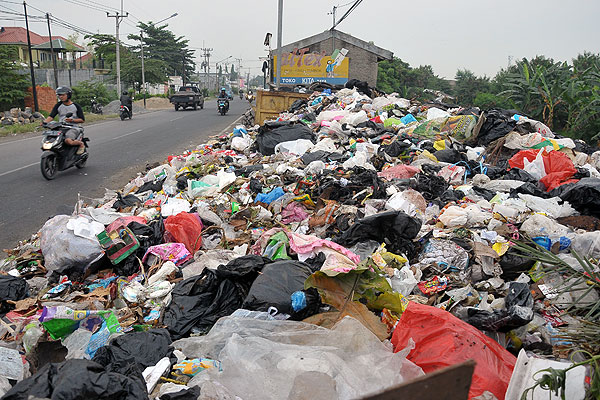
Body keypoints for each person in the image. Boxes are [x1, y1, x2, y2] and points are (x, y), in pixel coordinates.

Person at [43, 86, 86, 155]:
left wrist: (72, 120)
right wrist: (44, 122)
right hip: (61, 126)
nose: (61, 97)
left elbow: (82, 120)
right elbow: (51, 116)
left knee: (68, 141)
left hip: (73, 127)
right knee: (52, 139)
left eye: (63, 95)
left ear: (68, 95)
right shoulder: (58, 105)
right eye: (59, 95)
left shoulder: (76, 106)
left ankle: (81, 144)